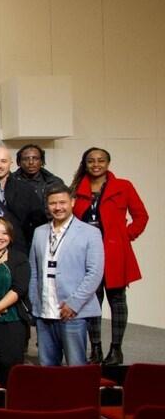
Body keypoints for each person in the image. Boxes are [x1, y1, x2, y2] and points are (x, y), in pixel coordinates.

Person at [70, 147, 149, 365]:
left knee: (117, 300)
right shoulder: (76, 188)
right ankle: (95, 348)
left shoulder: (123, 186)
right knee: (91, 301)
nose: (96, 164)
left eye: (101, 160)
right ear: (85, 164)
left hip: (114, 251)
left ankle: (116, 349)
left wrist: (126, 236)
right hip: (86, 253)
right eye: (91, 161)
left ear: (108, 163)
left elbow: (141, 216)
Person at [29, 185, 104, 367]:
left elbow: (95, 273)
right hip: (45, 312)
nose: (58, 207)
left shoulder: (90, 233)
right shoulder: (39, 232)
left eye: (62, 202)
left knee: (76, 368)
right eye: (52, 203)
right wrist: (34, 301)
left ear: (72, 202)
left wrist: (74, 303)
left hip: (72, 313)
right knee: (47, 367)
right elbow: (34, 270)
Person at [0, 217, 31, 384]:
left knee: (8, 367)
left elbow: (19, 288)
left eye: (5, 233)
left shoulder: (19, 258)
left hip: (11, 320)